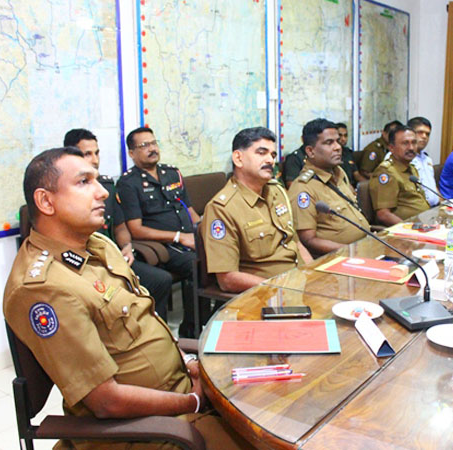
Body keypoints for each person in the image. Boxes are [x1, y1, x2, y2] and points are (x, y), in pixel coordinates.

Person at [4, 147, 249, 450]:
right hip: (139, 431)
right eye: (84, 182)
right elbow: (106, 402)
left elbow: (144, 321)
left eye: (97, 180)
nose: (103, 192)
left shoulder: (97, 244)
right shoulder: (44, 287)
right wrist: (194, 401)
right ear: (45, 201)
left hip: (178, 391)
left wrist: (188, 363)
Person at [63, 129, 172, 320]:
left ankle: (153, 329)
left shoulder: (106, 187)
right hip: (87, 266)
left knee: (161, 280)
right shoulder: (65, 193)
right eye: (87, 154)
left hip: (114, 261)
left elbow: (120, 226)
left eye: (97, 153)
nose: (95, 160)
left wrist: (127, 248)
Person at [201, 127, 312, 293]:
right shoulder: (222, 208)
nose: (270, 160)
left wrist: (313, 274)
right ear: (238, 158)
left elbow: (295, 242)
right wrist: (282, 287)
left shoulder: (277, 191)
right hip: (267, 294)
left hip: (300, 283)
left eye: (273, 155)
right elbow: (227, 279)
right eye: (261, 153)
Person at [116, 127, 200, 338]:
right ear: (132, 153)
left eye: (154, 143)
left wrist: (203, 230)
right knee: (197, 265)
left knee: (222, 252)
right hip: (163, 245)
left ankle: (209, 317)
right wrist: (179, 237)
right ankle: (192, 329)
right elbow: (136, 229)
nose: (152, 148)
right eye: (144, 145)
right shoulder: (128, 183)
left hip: (189, 237)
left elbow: (190, 211)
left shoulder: (172, 173)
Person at [288, 118, 370, 256]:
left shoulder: (339, 173)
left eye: (337, 141)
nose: (338, 147)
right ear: (310, 151)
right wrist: (351, 251)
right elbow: (307, 240)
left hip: (364, 247)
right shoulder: (303, 189)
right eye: (329, 143)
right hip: (338, 258)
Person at [369, 126, 430, 226]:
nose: (411, 148)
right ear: (391, 148)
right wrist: (409, 229)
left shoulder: (412, 168)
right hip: (407, 230)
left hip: (424, 223)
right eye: (405, 143)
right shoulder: (387, 172)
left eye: (414, 143)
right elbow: (383, 215)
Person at [407, 117, 440, 207]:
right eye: (420, 132)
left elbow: (432, 186)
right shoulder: (401, 159)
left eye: (427, 134)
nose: (424, 137)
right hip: (418, 210)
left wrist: (443, 204)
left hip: (434, 207)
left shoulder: (427, 159)